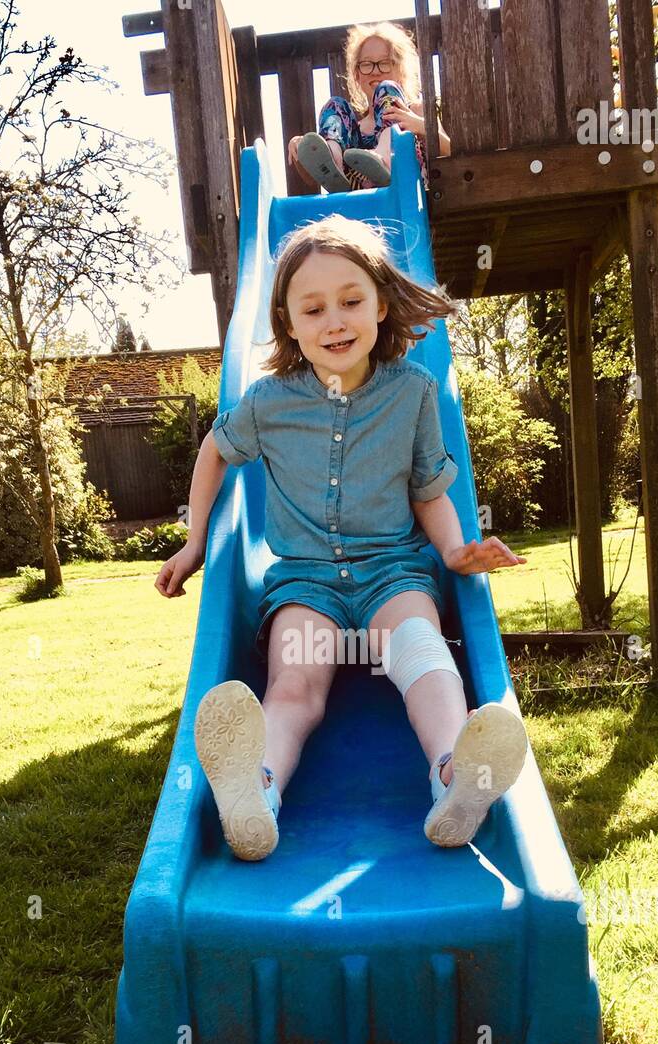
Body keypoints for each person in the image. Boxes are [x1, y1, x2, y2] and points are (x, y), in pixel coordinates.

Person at [155, 214, 529, 862]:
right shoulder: (269, 401)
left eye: (350, 301)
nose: (334, 321)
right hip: (307, 582)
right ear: (288, 323)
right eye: (313, 308)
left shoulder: (413, 391)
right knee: (295, 684)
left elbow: (427, 488)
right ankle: (257, 791)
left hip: (391, 573)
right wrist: (193, 541)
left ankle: (453, 777)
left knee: (422, 654)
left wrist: (451, 552)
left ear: (380, 304)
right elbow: (214, 450)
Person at [287, 21, 451, 195]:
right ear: (357, 75)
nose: (375, 71)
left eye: (385, 62)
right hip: (356, 196)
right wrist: (303, 150)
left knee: (387, 89)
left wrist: (420, 126)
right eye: (366, 64)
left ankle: (385, 157)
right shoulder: (350, 131)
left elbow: (450, 151)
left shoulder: (415, 111)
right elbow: (311, 178)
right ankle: (334, 159)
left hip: (404, 190)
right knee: (335, 105)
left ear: (401, 70)